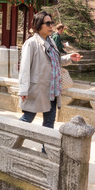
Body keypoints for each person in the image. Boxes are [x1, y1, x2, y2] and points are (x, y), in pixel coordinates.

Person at [18, 11, 82, 148]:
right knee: (26, 119)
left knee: (49, 123)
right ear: (38, 25)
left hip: (53, 89)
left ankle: (46, 151)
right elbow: (24, 69)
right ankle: (11, 141)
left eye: (51, 23)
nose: (51, 25)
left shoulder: (51, 41)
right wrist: (23, 90)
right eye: (47, 23)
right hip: (37, 89)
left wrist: (69, 58)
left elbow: (56, 61)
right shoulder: (31, 43)